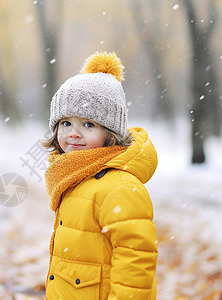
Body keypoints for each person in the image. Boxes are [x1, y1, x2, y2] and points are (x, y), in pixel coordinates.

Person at [42, 51, 158, 299]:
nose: (73, 133)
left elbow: (136, 260)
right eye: (66, 123)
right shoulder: (75, 176)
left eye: (88, 124)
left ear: (110, 133)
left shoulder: (119, 186)